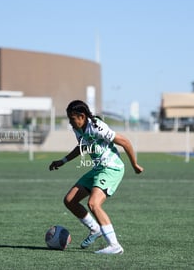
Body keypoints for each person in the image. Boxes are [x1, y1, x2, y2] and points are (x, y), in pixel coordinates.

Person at [49, 100, 143, 255]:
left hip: (112, 168)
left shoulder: (97, 127)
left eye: (72, 119)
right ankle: (95, 229)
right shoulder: (78, 128)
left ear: (82, 116)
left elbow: (125, 142)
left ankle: (115, 246)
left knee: (93, 204)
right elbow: (83, 146)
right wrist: (63, 161)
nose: (71, 123)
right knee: (70, 200)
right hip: (98, 169)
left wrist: (135, 165)